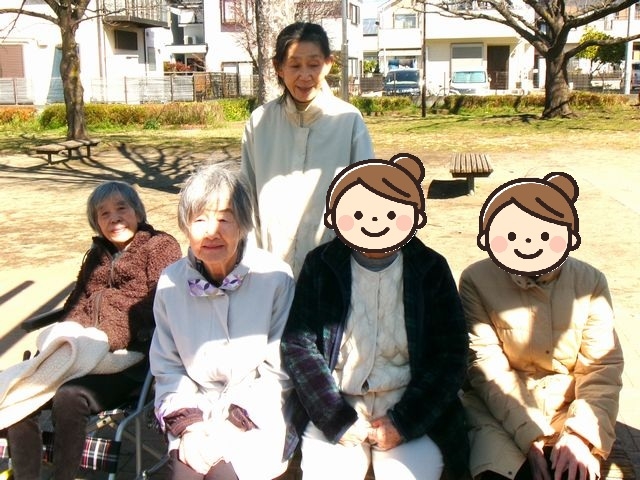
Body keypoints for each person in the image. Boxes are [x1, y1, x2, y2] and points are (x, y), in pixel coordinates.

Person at [280, 154, 470, 480]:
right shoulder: (321, 265)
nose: (374, 222)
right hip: (338, 401)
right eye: (358, 213)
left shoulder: (429, 268)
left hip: (408, 402)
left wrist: (405, 421)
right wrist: (335, 417)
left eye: (391, 213)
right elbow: (299, 345)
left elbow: (451, 353)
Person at [3, 180, 182, 480]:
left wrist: (109, 334)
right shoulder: (97, 255)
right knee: (20, 393)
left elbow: (161, 303)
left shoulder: (159, 246)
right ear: (96, 222)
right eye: (104, 213)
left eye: (121, 208)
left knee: (70, 396)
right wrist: (66, 335)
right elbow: (75, 302)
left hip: (131, 358)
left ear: (137, 212)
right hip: (81, 351)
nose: (114, 218)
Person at [459, 172, 624, 480]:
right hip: (499, 411)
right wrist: (530, 436)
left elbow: (601, 369)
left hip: (569, 408)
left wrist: (580, 435)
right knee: (503, 472)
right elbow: (486, 367)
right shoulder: (476, 279)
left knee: (571, 471)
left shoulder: (590, 281)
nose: (528, 243)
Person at [150, 162, 295, 480]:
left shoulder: (274, 277)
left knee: (224, 475)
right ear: (185, 227)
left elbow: (278, 371)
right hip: (195, 408)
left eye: (224, 218)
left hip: (255, 412)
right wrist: (191, 426)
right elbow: (168, 367)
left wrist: (231, 426)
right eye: (199, 219)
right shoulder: (171, 282)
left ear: (243, 224)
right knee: (186, 475)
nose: (211, 232)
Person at [241, 21, 375, 277]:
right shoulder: (259, 122)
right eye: (294, 65)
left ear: (328, 63)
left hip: (331, 270)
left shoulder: (348, 120)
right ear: (278, 67)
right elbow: (246, 197)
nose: (305, 75)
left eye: (313, 65)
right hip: (269, 267)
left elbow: (367, 195)